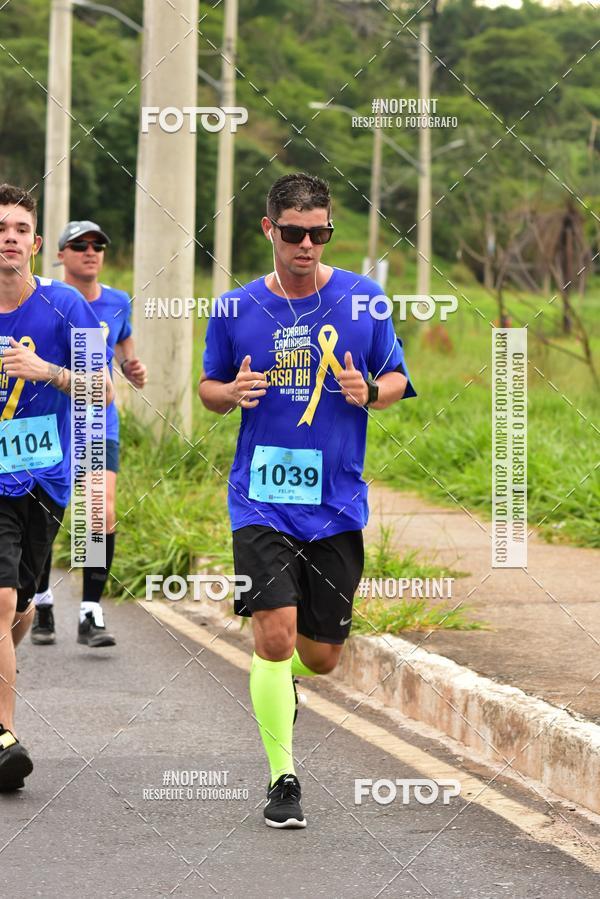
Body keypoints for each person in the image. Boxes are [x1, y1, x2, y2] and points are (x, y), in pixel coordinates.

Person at [199, 173, 416, 828]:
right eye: (293, 232)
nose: (306, 245)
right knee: (272, 636)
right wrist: (229, 394)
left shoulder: (365, 300)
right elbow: (207, 387)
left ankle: (281, 675)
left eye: (318, 233)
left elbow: (399, 377)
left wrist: (369, 393)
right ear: (269, 230)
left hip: (336, 501)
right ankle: (283, 777)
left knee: (320, 654)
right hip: (259, 497)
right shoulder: (236, 309)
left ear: (328, 232)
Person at [0, 184, 114, 791]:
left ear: (36, 244)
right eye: (0, 228)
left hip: (45, 478)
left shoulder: (66, 304)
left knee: (17, 609)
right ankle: (4, 737)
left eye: (19, 229)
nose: (9, 238)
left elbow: (106, 390)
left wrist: (47, 371)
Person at [30, 221, 147, 648]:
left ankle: (89, 612)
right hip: (52, 423)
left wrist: (134, 368)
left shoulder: (117, 302)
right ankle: (40, 601)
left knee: (99, 513)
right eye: (79, 245)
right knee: (43, 515)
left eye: (98, 244)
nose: (91, 251)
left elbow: (126, 352)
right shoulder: (45, 300)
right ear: (60, 254)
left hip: (99, 421)